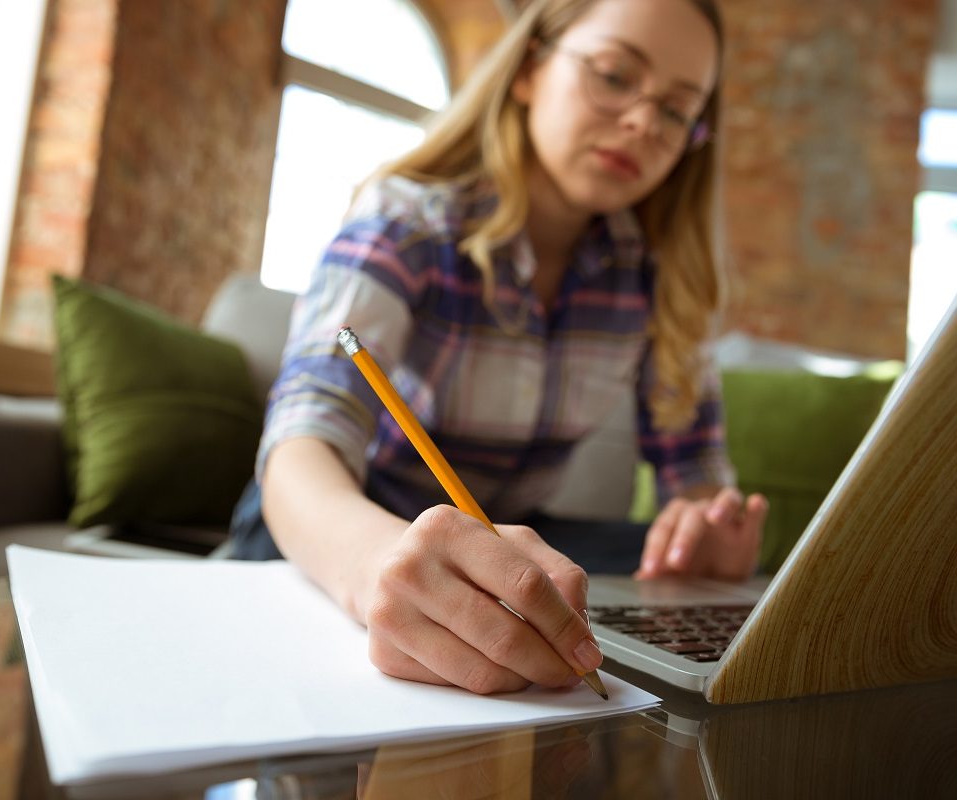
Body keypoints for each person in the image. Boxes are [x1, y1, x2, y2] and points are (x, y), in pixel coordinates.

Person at [232, 0, 768, 695]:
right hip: (350, 522)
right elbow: (303, 446)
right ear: (527, 68)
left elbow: (696, 481)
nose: (642, 121)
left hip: (510, 539)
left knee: (682, 582)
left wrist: (706, 531)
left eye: (675, 110)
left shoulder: (660, 278)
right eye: (613, 75)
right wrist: (376, 569)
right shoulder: (407, 221)